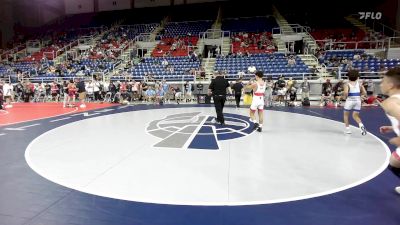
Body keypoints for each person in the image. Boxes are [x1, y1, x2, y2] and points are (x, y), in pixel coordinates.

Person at [378, 68, 400, 194]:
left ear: (390, 85)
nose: (381, 84)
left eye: (383, 82)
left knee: (394, 163)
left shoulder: (390, 103)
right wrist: (393, 127)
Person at [343, 70, 367, 135]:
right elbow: (365, 92)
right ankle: (362, 127)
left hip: (350, 100)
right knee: (355, 116)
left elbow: (345, 92)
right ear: (357, 77)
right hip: (357, 100)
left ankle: (348, 130)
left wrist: (344, 97)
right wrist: (361, 96)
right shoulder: (359, 84)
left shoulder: (347, 84)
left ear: (348, 77)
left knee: (346, 115)